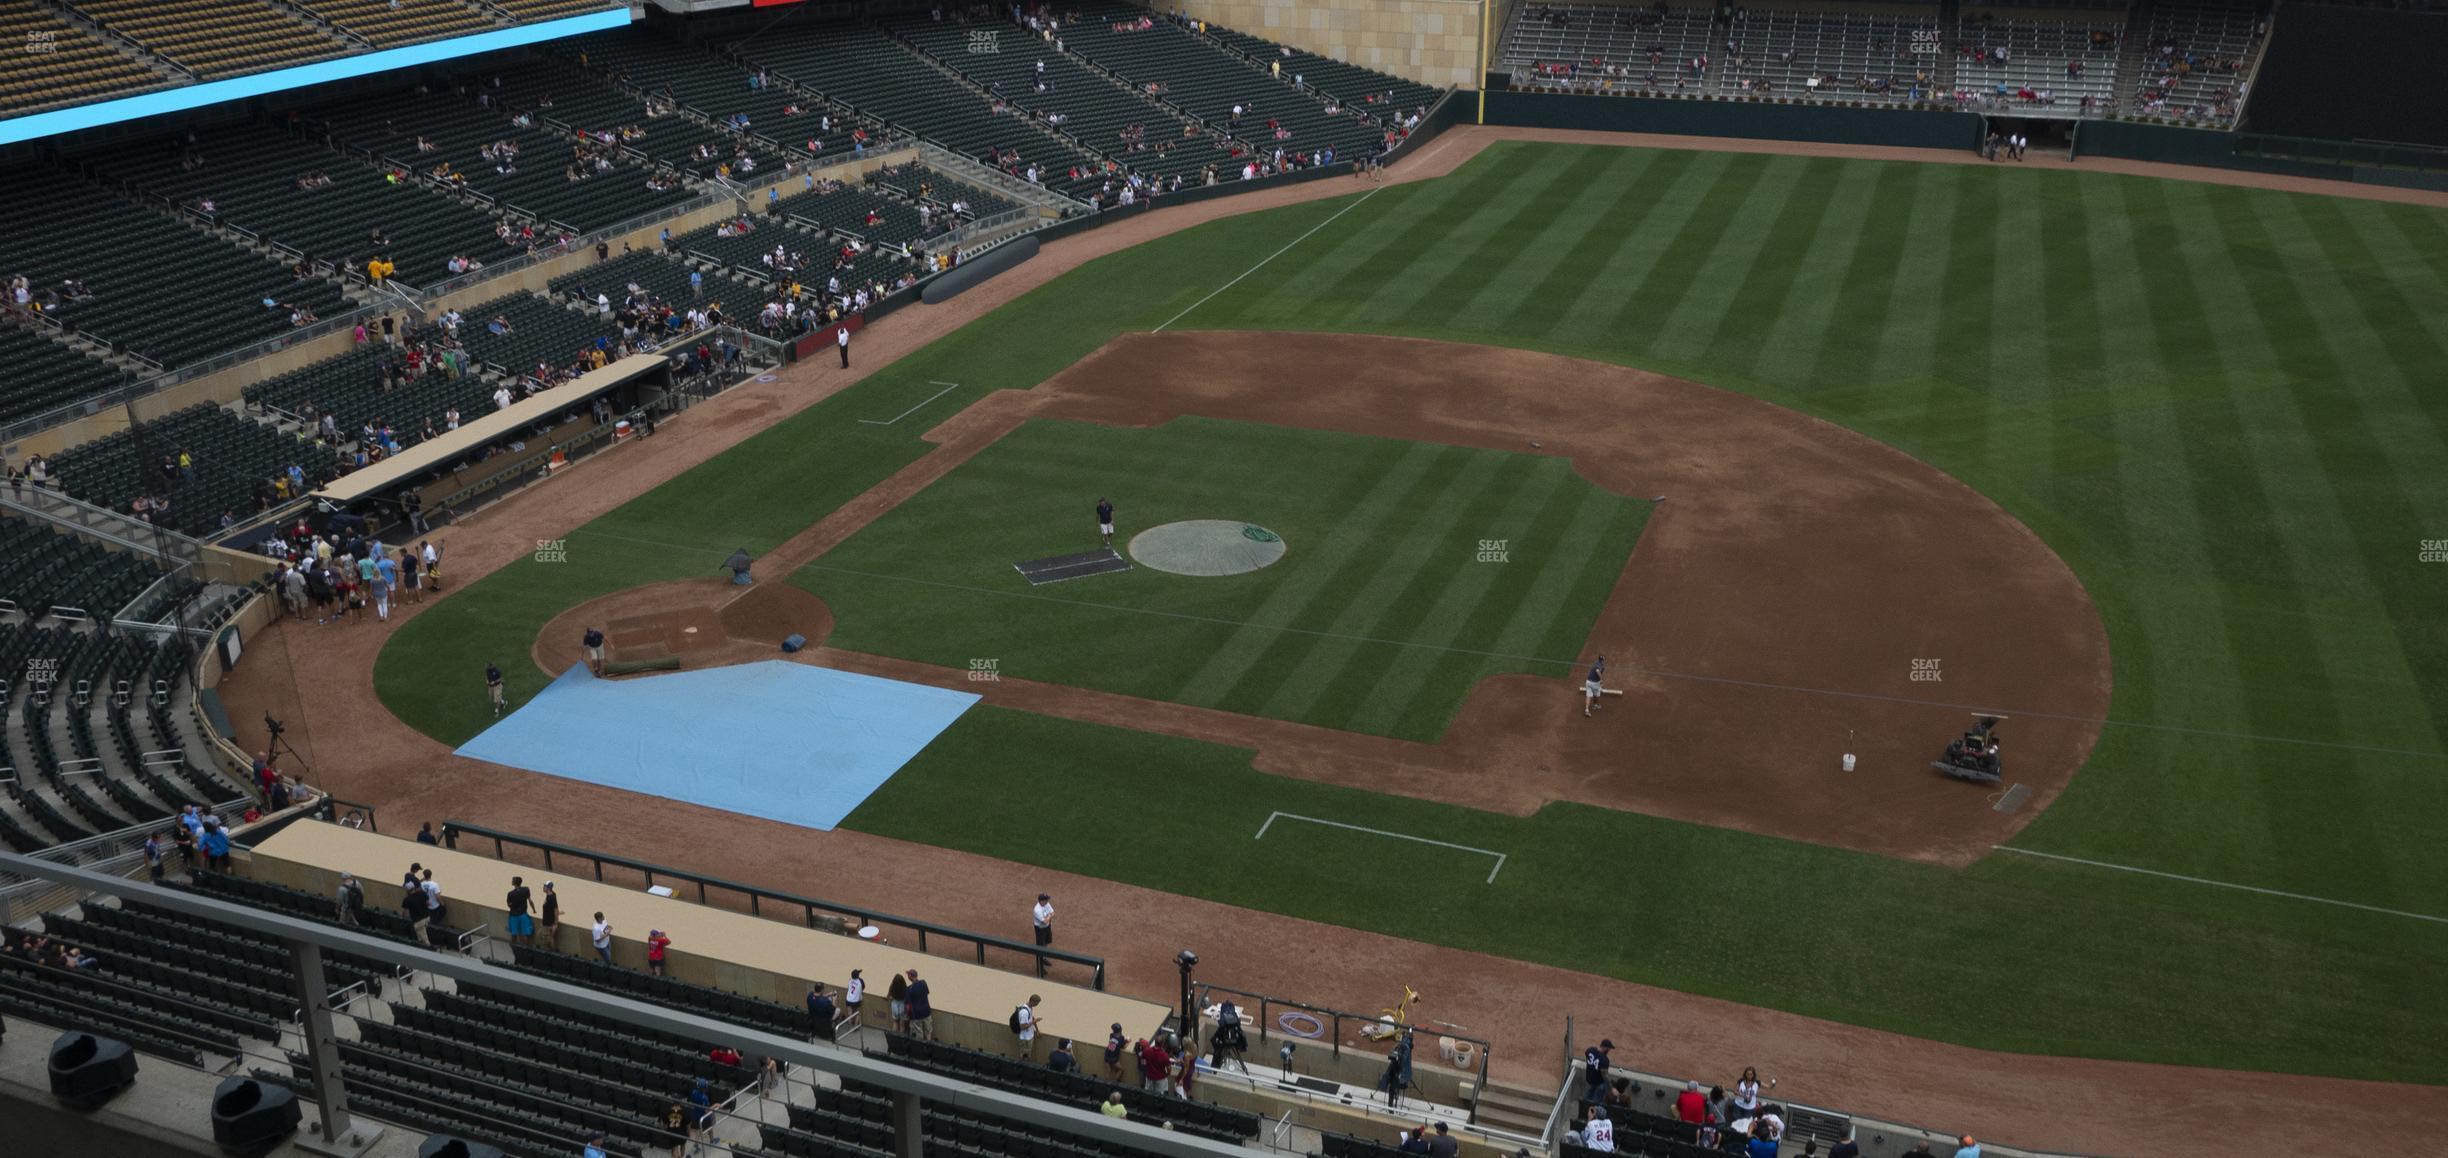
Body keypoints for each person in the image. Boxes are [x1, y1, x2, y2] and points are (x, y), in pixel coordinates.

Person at [904, 969, 934, 1040]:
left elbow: (907, 1006)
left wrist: (907, 1015)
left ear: (911, 976)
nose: (908, 976)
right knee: (928, 1031)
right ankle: (928, 1046)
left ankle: (921, 1048)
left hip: (916, 1015)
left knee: (918, 1033)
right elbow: (927, 993)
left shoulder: (909, 989)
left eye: (908, 975)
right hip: (926, 1011)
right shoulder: (923, 983)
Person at [1582, 1039, 1613, 1104]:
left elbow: (1586, 1054)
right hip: (1599, 1083)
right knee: (1596, 1103)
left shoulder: (1590, 1050)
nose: (1609, 1050)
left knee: (1586, 1100)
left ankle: (1585, 1109)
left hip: (1589, 1080)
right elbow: (1605, 1075)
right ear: (1605, 1047)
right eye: (1608, 1048)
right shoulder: (1605, 1060)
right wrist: (1611, 1088)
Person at [506, 876, 534, 946]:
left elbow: (509, 905)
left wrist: (512, 906)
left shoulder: (510, 894)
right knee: (525, 933)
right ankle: (526, 948)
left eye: (512, 880)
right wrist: (534, 909)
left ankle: (514, 947)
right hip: (523, 914)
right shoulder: (526, 890)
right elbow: (530, 901)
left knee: (514, 933)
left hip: (513, 915)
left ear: (514, 883)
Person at [887, 968, 910, 1033]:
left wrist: (887, 998)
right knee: (902, 1025)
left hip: (894, 1004)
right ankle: (900, 1039)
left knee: (895, 1022)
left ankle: (894, 1037)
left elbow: (888, 994)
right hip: (902, 1005)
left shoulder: (892, 987)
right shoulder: (905, 988)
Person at [539, 881, 560, 949]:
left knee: (548, 939)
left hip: (549, 923)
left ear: (548, 888)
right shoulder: (551, 895)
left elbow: (556, 911)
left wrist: (555, 924)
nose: (543, 888)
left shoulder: (551, 898)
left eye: (544, 886)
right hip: (546, 922)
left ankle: (551, 954)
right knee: (549, 939)